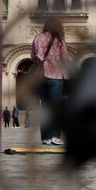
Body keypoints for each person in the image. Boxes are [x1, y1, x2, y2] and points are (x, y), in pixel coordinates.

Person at [30, 16, 69, 145]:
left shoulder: (38, 37)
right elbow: (65, 59)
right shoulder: (60, 40)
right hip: (56, 77)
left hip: (41, 76)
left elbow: (33, 56)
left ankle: (45, 138)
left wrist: (42, 61)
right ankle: (55, 137)